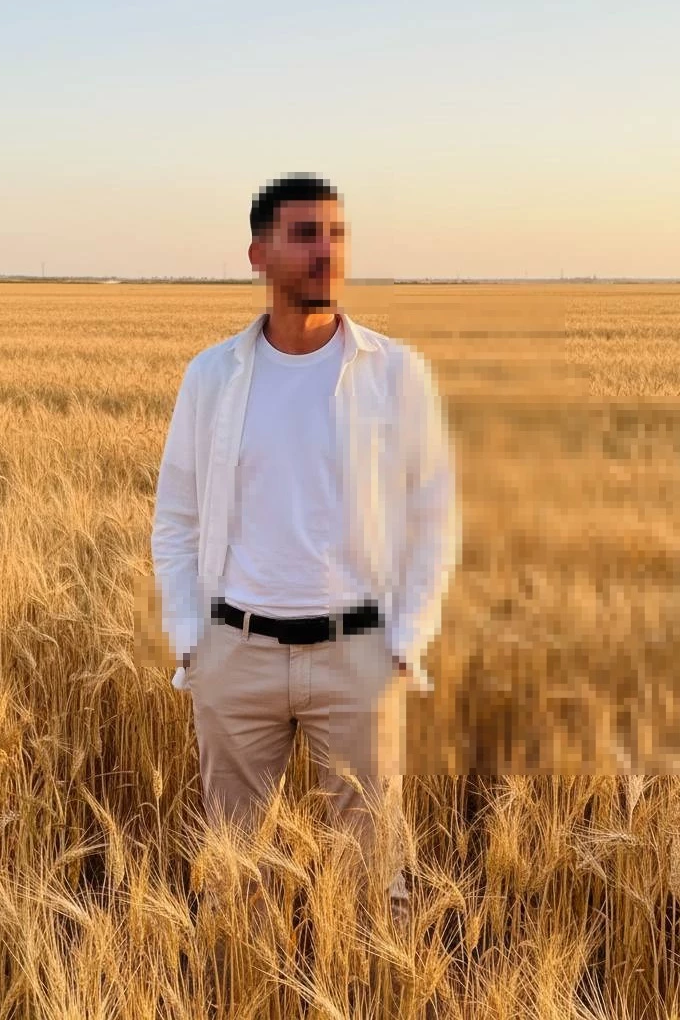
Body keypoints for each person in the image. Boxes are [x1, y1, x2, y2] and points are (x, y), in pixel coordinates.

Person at [150, 172, 459, 938]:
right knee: (228, 876)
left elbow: (434, 515)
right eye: (305, 235)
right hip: (237, 652)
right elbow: (177, 517)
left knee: (371, 882)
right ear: (259, 253)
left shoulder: (394, 372)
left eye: (337, 234)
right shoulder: (212, 377)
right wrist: (193, 638)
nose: (326, 252)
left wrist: (404, 641)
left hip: (355, 654)